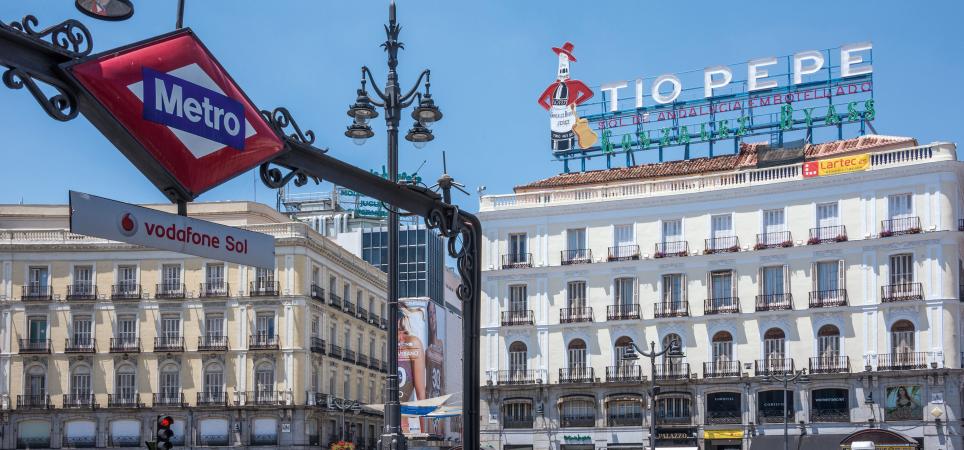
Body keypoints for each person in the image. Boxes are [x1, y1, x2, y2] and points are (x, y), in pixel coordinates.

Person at [398, 306, 426, 402]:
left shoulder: (413, 343)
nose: (401, 338)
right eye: (398, 332)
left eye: (404, 332)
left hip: (403, 414)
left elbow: (421, 395)